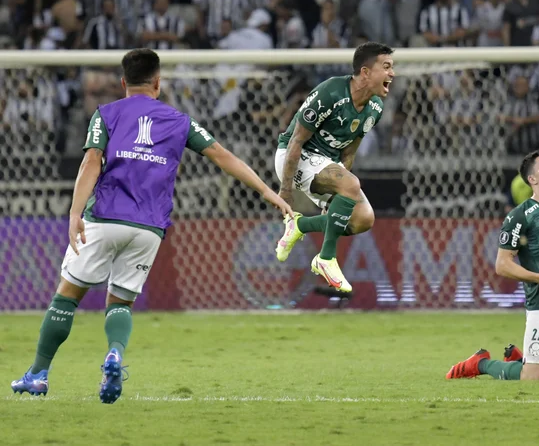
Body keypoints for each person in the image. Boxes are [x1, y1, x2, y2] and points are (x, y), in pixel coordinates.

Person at [10, 49, 292, 404]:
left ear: (123, 82)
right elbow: (224, 156)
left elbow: (90, 162)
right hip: (149, 228)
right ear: (159, 82)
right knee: (121, 303)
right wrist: (268, 191)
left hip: (105, 218)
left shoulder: (106, 113)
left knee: (67, 296)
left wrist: (74, 213)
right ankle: (114, 354)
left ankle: (38, 374)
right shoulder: (179, 121)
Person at [445, 149, 539, 381]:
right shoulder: (521, 216)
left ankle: (523, 360)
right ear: (532, 179)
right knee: (531, 378)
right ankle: (482, 363)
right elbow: (502, 265)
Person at [274, 41, 395, 293]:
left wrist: (342, 189)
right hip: (294, 156)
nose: (392, 74)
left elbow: (349, 150)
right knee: (351, 185)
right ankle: (326, 259)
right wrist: (285, 191)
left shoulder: (375, 108)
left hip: (327, 163)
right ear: (365, 72)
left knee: (363, 219)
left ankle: (300, 226)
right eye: (386, 67)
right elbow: (296, 140)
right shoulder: (330, 93)